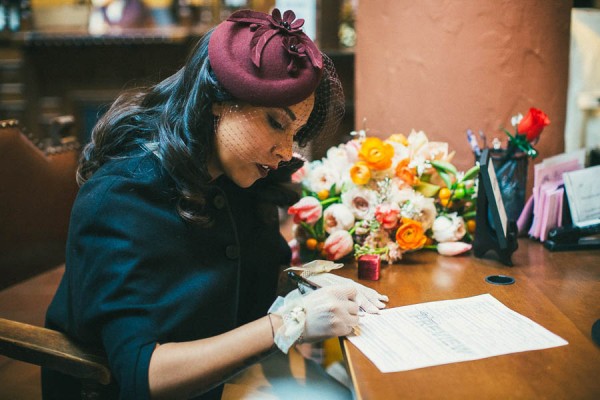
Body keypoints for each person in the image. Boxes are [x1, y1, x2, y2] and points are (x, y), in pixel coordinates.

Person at [42, 8, 388, 400]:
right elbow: (143, 375)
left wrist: (307, 283)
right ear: (217, 101)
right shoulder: (123, 196)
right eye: (276, 123)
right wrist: (291, 321)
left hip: (228, 379)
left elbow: (241, 279)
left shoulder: (240, 176)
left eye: (296, 131)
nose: (286, 150)